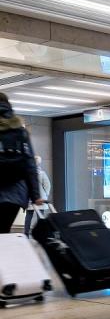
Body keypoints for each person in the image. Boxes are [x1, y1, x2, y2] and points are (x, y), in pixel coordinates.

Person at [0, 93, 43, 233]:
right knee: (3, 231)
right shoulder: (20, 130)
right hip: (16, 193)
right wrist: (35, 194)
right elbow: (29, 163)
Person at [24, 156, 51, 237]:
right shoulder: (41, 173)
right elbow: (47, 185)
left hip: (33, 199)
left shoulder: (29, 173)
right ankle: (39, 234)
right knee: (39, 217)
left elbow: (25, 186)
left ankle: (27, 234)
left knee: (30, 217)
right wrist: (45, 195)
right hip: (38, 199)